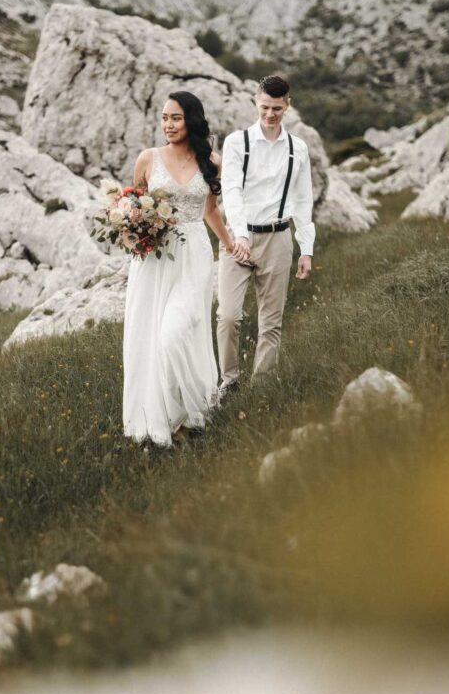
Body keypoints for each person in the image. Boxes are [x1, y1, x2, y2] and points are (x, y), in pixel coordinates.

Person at [123, 90, 234, 447]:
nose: (168, 125)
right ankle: (165, 422)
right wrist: (130, 236)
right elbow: (130, 209)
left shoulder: (212, 163)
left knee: (176, 334)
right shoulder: (147, 159)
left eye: (176, 118)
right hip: (154, 259)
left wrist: (232, 246)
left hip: (194, 257)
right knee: (151, 339)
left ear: (192, 120)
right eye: (164, 118)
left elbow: (210, 211)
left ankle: (192, 410)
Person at [217, 75, 315, 392]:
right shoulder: (236, 142)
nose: (270, 114)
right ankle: (228, 382)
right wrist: (241, 236)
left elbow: (303, 200)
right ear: (255, 103)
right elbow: (230, 191)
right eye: (264, 107)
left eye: (276, 108)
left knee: (271, 323)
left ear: (287, 105)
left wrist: (307, 249)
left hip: (278, 239)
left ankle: (261, 389)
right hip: (237, 239)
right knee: (229, 316)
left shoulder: (298, 149)